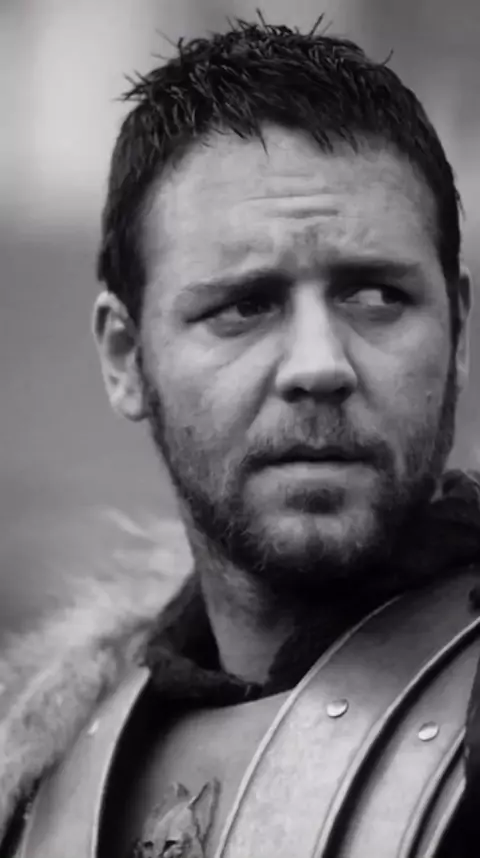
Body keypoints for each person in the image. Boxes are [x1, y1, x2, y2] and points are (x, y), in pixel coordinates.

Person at [2, 16, 480, 857]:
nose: (320, 364)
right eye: (244, 305)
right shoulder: (43, 781)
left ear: (459, 332)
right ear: (126, 357)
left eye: (375, 296)